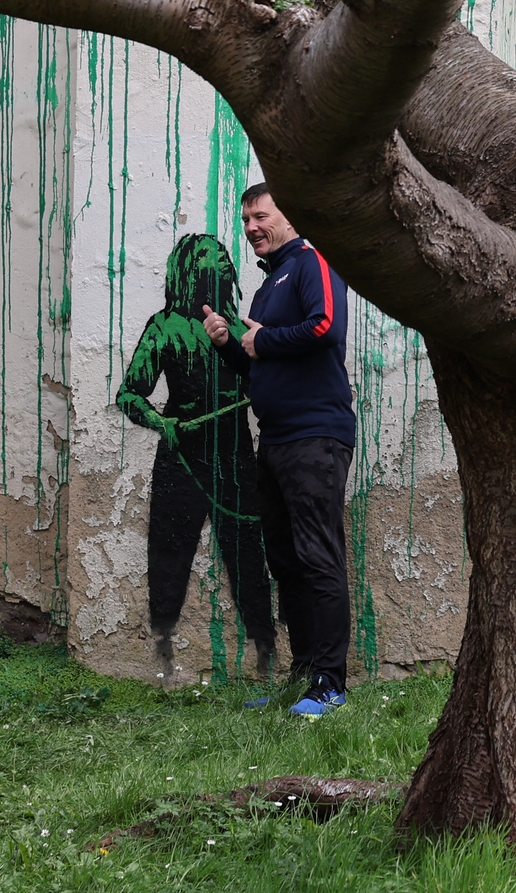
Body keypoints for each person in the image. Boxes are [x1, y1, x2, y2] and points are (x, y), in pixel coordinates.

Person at [200, 184, 355, 718]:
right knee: (286, 563)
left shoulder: (311, 262)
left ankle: (331, 684)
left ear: (289, 216)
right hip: (278, 441)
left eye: (260, 216)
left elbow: (326, 327)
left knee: (318, 558)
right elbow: (260, 363)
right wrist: (229, 343)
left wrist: (262, 340)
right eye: (245, 220)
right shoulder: (268, 288)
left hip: (316, 437)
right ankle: (303, 677)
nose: (251, 228)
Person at [117, 234, 276, 680]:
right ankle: (163, 652)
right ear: (189, 271)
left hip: (234, 458)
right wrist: (160, 422)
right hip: (180, 460)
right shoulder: (163, 326)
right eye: (210, 261)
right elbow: (130, 394)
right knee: (169, 555)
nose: (221, 267)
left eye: (223, 261)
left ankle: (266, 652)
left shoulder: (240, 328)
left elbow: (265, 376)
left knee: (247, 557)